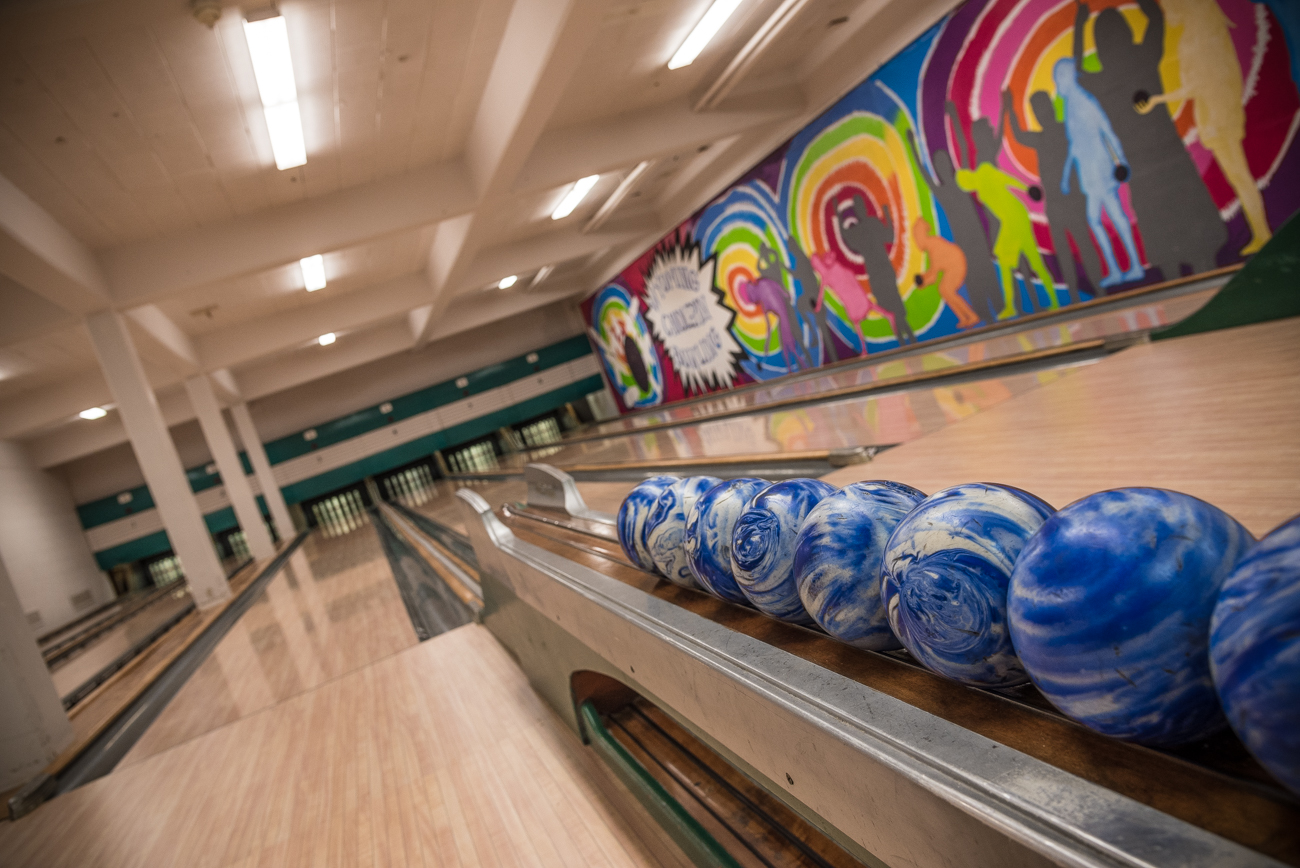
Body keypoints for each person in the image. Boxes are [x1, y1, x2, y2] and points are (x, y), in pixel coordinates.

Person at [1073, 0, 1227, 277]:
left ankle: (1172, 279)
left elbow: (1077, 70)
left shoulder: (1102, 81)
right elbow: (1155, 18)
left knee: (1161, 239)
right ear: (1127, 32)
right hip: (1171, 156)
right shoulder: (1144, 57)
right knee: (1197, 230)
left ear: (1100, 46)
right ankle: (1208, 269)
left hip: (1140, 167)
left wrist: (1080, 24)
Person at [1136, 0, 1272, 254]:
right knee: (1239, 178)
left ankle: (1262, 233)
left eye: (1167, 7)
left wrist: (1156, 100)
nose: (1166, 14)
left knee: (1239, 177)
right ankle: (1261, 232)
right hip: (1219, 113)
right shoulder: (1205, 32)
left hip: (1218, 117)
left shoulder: (1197, 37)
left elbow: (1195, 85)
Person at [1002, 88, 1105, 301]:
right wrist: (1009, 108)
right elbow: (1018, 135)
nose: (1040, 113)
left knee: (1084, 243)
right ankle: (1075, 295)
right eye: (1036, 110)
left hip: (1072, 200)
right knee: (1064, 251)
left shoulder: (1066, 129)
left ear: (1050, 107)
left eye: (1042, 108)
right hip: (1054, 205)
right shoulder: (1041, 137)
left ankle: (1099, 287)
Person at [1051, 60, 1145, 287]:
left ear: (1068, 77)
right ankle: (1119, 269)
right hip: (1088, 171)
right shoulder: (1071, 105)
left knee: (1108, 217)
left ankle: (1133, 266)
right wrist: (1065, 175)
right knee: (1102, 218)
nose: (1057, 83)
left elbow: (1107, 131)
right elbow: (1075, 145)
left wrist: (1120, 161)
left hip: (1099, 168)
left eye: (1059, 77)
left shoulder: (1084, 102)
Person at [905, 128, 1004, 321]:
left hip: (977, 239)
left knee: (988, 274)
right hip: (963, 243)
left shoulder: (962, 180)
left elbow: (964, 149)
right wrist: (912, 146)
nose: (942, 167)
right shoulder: (941, 190)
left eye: (944, 163)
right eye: (938, 165)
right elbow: (923, 173)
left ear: (950, 165)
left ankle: (1000, 309)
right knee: (973, 281)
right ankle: (982, 315)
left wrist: (956, 122)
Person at [955, 157, 1060, 320]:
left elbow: (1006, 179)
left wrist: (1026, 189)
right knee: (1034, 261)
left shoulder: (986, 172)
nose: (967, 188)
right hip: (1015, 219)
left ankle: (1011, 307)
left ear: (968, 177)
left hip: (1014, 220)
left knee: (1007, 263)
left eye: (965, 184)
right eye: (965, 188)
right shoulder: (980, 189)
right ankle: (1052, 301)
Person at [834, 195, 916, 344]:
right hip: (882, 271)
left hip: (879, 273)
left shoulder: (859, 230)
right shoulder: (869, 225)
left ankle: (905, 340)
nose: (861, 209)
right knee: (894, 306)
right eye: (859, 207)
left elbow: (845, 235)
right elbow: (889, 236)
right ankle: (908, 339)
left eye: (861, 206)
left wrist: (838, 216)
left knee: (892, 306)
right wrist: (887, 215)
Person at [912, 218, 981, 327]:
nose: (917, 242)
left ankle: (972, 316)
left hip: (956, 266)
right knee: (944, 290)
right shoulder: (931, 246)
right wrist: (923, 280)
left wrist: (923, 280)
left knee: (948, 290)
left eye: (917, 238)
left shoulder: (934, 245)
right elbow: (933, 273)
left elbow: (933, 274)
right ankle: (963, 317)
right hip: (951, 267)